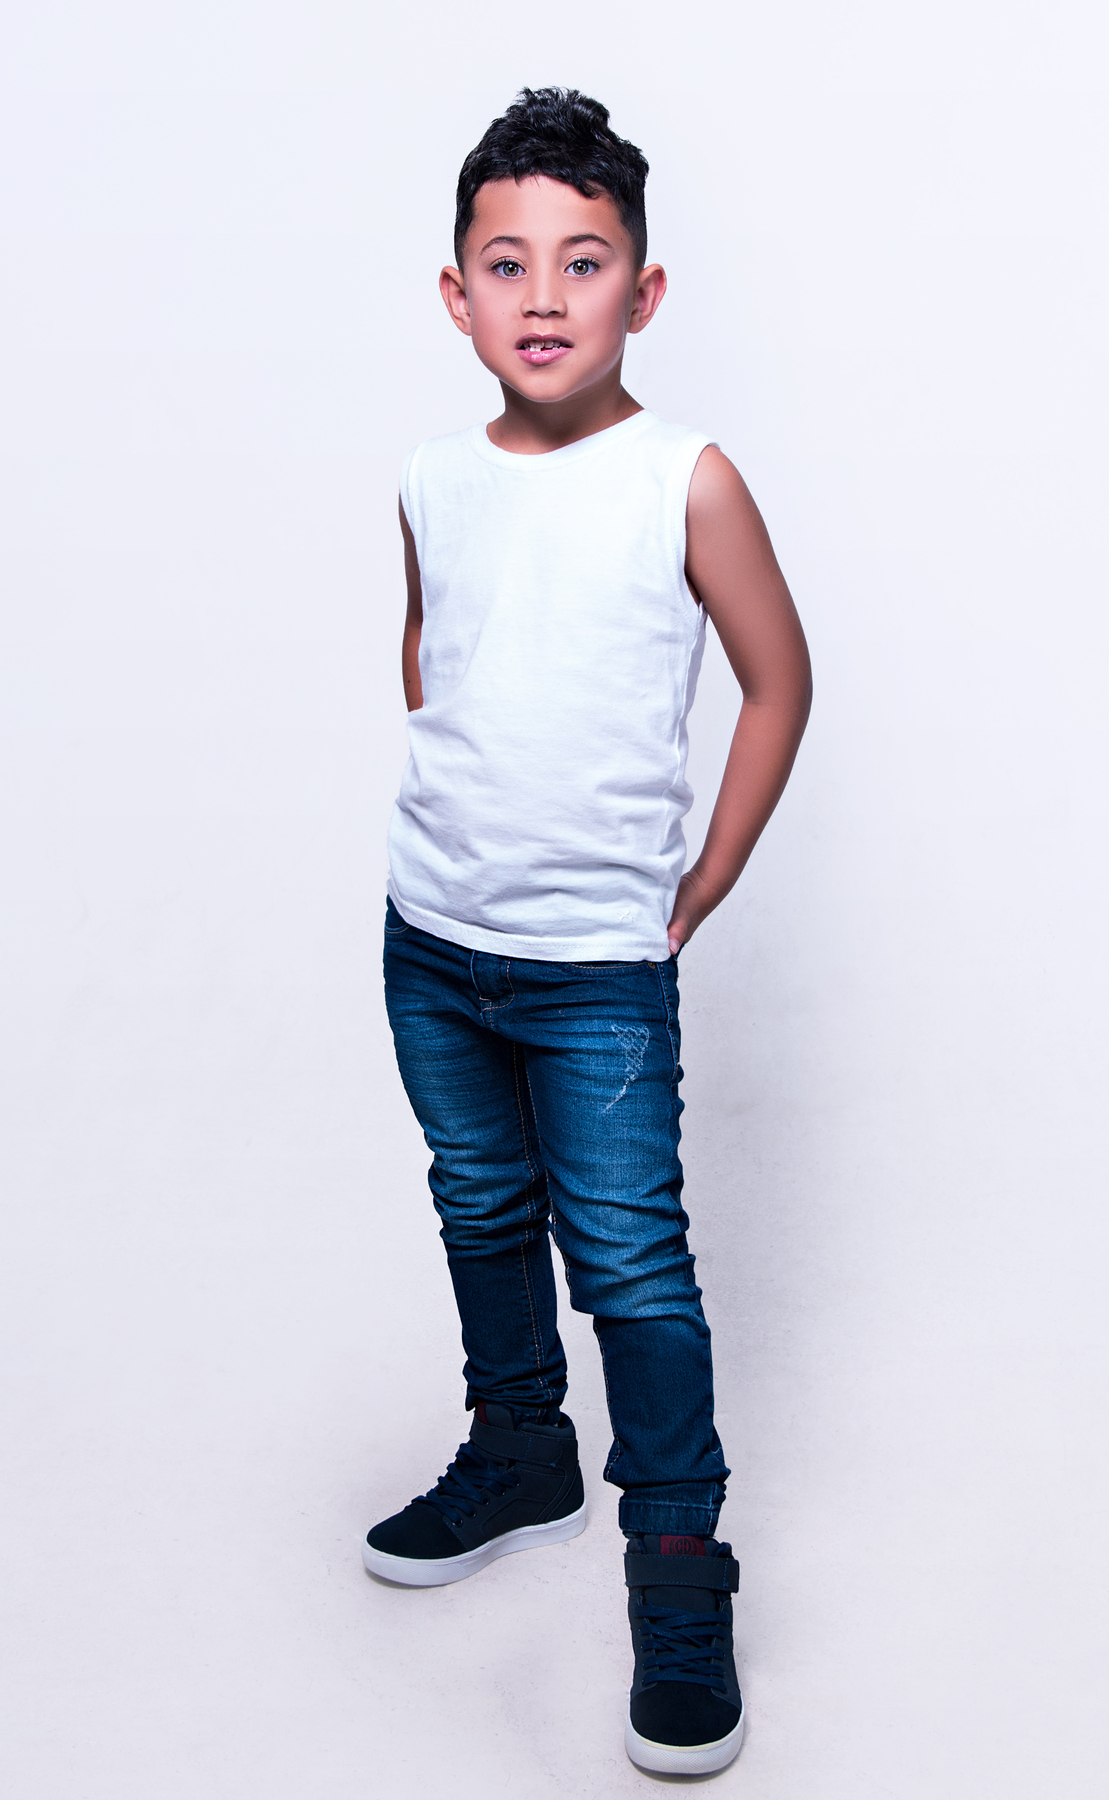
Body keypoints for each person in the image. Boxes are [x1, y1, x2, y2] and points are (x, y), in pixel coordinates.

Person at [363, 87, 812, 1777]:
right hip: (432, 942)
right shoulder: (430, 477)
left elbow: (780, 682)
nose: (543, 295)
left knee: (629, 1262)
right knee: (479, 1203)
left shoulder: (686, 481)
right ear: (456, 294)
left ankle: (679, 1574)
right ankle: (519, 1450)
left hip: (597, 972)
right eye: (507, 262)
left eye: (583, 260)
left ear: (644, 288)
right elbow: (433, 649)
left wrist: (709, 870)